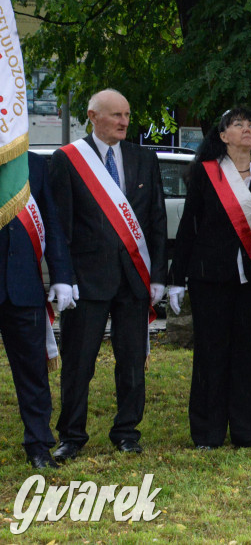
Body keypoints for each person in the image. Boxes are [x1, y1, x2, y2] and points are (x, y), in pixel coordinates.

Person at [49, 89, 167, 462]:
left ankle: (127, 431)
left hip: (133, 279)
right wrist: (62, 277)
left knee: (132, 362)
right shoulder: (68, 160)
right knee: (78, 363)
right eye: (116, 114)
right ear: (92, 115)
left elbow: (156, 221)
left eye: (127, 115)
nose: (123, 121)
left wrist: (159, 275)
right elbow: (59, 225)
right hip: (86, 280)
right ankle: (71, 435)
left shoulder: (142, 159)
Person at [167, 107, 251, 449]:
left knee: (250, 356)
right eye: (238, 124)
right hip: (211, 280)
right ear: (223, 136)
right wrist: (176, 277)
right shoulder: (206, 175)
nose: (247, 128)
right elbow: (187, 229)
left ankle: (247, 431)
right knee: (211, 354)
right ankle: (207, 433)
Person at [0, 152, 76, 468]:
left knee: (33, 374)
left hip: (23, 286)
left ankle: (38, 446)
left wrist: (61, 276)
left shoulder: (32, 164)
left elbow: (52, 223)